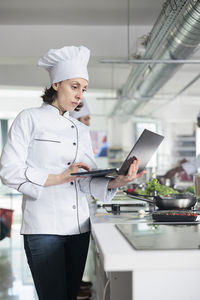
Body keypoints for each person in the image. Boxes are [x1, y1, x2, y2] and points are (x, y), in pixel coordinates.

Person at [0, 45, 145, 300]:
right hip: (44, 229)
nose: (80, 95)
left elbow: (86, 182)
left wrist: (119, 180)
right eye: (74, 86)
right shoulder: (29, 118)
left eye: (83, 89)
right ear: (56, 84)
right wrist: (58, 177)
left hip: (79, 229)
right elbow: (9, 171)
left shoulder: (80, 129)